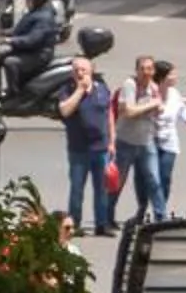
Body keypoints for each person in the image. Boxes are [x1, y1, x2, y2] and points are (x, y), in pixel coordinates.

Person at [60, 48, 117, 235]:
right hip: (78, 149)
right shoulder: (67, 90)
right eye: (76, 69)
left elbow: (108, 114)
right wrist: (80, 90)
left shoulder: (102, 88)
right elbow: (65, 111)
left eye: (83, 69)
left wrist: (112, 141)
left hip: (100, 148)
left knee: (102, 189)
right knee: (77, 189)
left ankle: (102, 224)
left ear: (91, 70)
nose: (80, 72)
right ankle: (74, 223)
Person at [116, 56, 163, 220]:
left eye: (149, 68)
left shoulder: (154, 88)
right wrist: (152, 104)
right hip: (125, 142)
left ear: (154, 71)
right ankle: (107, 218)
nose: (145, 72)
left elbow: (159, 111)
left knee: (154, 180)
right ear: (136, 70)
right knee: (117, 182)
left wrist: (155, 106)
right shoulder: (130, 85)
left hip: (146, 141)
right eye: (142, 68)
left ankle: (160, 217)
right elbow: (130, 112)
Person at [154, 59, 186, 220]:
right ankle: (144, 209)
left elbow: (184, 114)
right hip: (150, 143)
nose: (175, 76)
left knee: (164, 178)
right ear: (162, 77)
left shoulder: (175, 94)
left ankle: (160, 212)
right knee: (151, 179)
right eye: (172, 74)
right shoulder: (150, 92)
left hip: (169, 144)